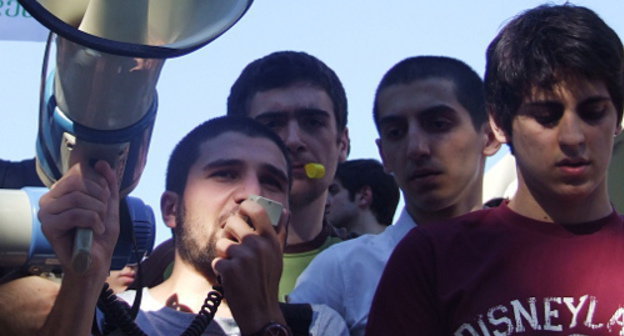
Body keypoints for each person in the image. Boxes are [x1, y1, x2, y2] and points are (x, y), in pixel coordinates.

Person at [366, 4, 624, 335]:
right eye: (546, 116)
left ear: (616, 118)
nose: (573, 137)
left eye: (593, 112)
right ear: (499, 125)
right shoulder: (431, 257)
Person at [36, 116, 348, 336]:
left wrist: (265, 320)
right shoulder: (105, 316)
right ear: (172, 210)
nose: (252, 193)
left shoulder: (317, 325)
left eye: (271, 181)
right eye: (225, 174)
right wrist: (82, 282)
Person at [290, 55, 500, 335]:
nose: (416, 147)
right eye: (396, 132)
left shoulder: (533, 255)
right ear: (383, 154)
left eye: (438, 124)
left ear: (490, 135)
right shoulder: (341, 272)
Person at [227, 51, 350, 300]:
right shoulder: (176, 264)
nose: (293, 141)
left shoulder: (376, 266)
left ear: (343, 144)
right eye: (272, 125)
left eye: (313, 122)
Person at [326, 159, 399, 237]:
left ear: (363, 196)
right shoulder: (406, 245)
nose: (325, 203)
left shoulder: (338, 249)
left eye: (333, 191)